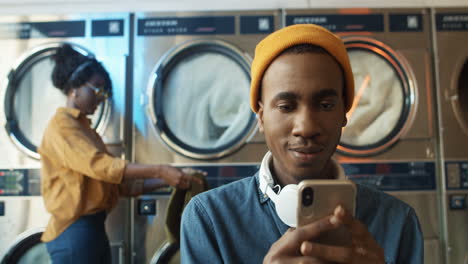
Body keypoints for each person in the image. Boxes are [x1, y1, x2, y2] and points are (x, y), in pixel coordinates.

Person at [180, 24, 423, 263]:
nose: (306, 128)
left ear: (344, 113)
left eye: (325, 105)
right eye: (286, 107)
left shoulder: (398, 222)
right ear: (261, 116)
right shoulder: (209, 217)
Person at [39, 44, 202, 264]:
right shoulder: (62, 127)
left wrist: (171, 180)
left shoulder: (85, 130)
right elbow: (101, 166)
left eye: (104, 92)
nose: (102, 97)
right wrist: (161, 170)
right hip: (74, 231)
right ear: (74, 87)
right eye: (97, 88)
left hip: (91, 229)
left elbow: (118, 186)